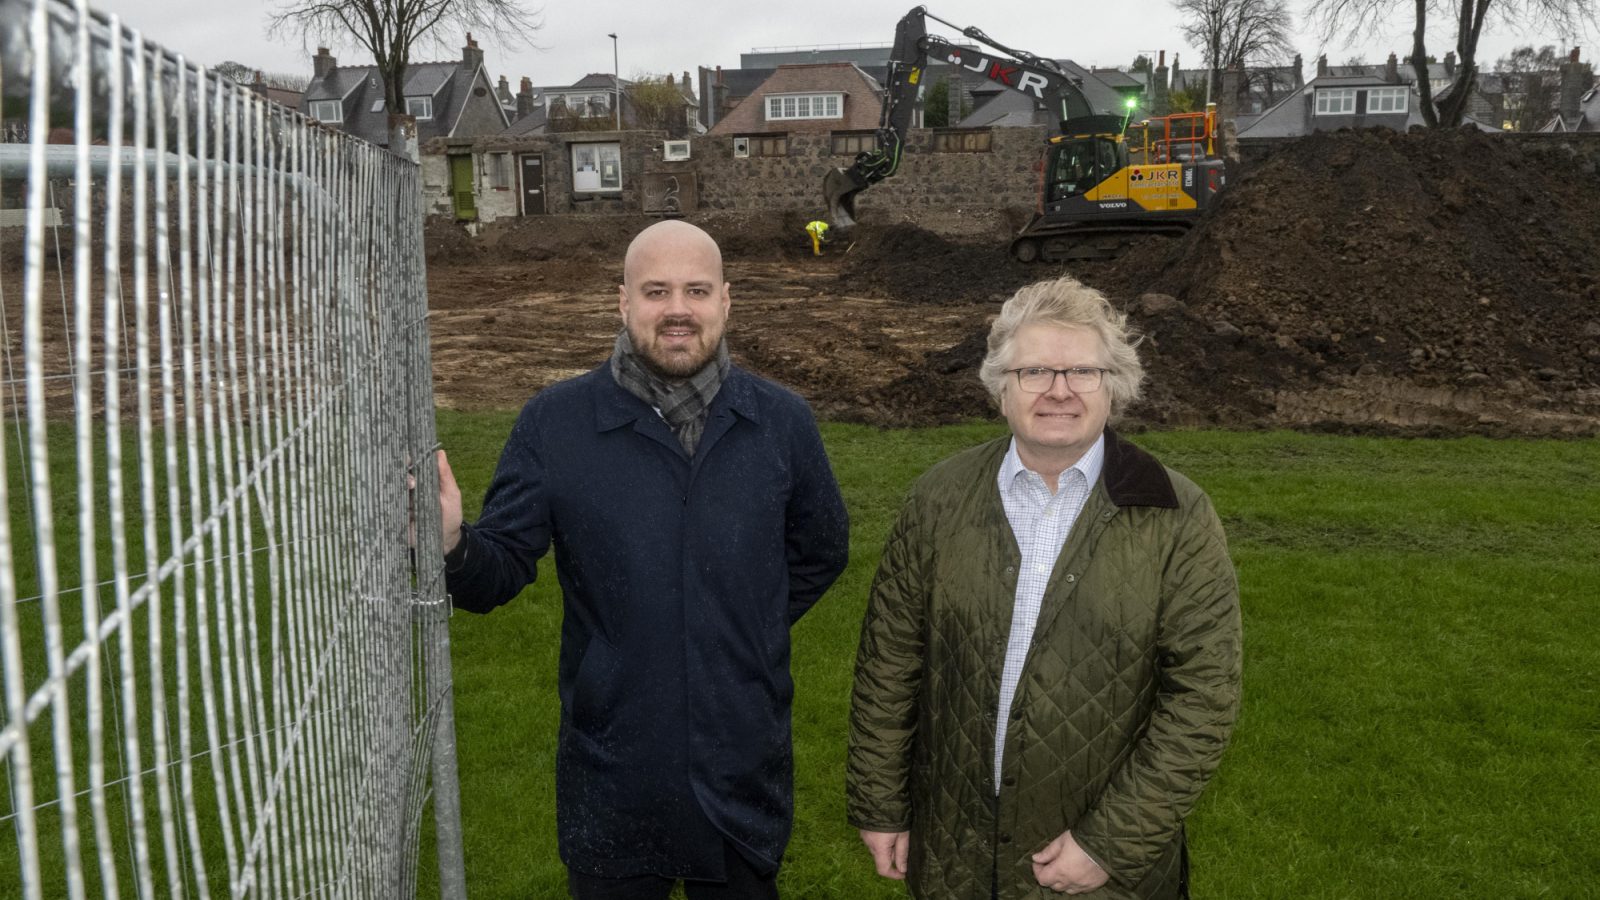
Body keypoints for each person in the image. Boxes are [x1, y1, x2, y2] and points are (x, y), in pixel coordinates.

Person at [436, 220, 849, 899]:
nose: (677, 309)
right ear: (623, 302)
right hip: (613, 776)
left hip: (741, 767)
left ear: (726, 301)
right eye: (656, 291)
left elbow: (822, 549)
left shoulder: (782, 422)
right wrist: (453, 541)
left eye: (696, 290)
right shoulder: (556, 422)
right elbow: (498, 570)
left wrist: (739, 624)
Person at [845, 276, 1241, 900]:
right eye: (1034, 372)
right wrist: (881, 803)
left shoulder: (1175, 514)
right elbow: (889, 664)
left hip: (1098, 869)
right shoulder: (938, 498)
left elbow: (1203, 698)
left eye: (1082, 371)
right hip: (954, 851)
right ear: (1001, 388)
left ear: (1114, 385)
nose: (1059, 390)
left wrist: (1110, 843)